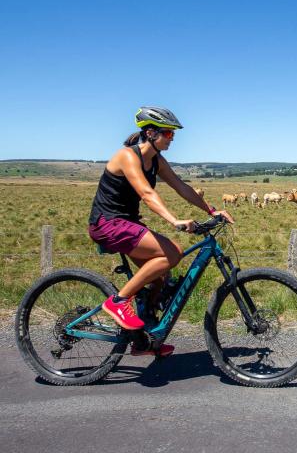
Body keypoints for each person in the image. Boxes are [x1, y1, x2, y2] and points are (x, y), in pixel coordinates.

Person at [88, 106, 234, 356]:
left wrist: (212, 211)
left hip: (127, 223)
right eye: (168, 133)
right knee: (172, 253)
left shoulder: (156, 160)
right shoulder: (127, 156)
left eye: (172, 134)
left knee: (160, 277)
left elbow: (182, 187)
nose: (172, 138)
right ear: (151, 133)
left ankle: (143, 339)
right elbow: (146, 193)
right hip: (108, 223)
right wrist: (174, 220)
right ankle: (118, 302)